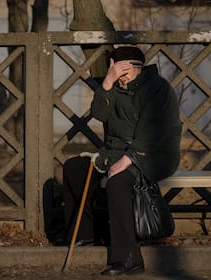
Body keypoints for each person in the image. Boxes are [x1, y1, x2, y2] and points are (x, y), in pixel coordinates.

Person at [63, 46, 182, 276]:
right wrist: (106, 83)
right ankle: (84, 236)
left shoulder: (157, 89)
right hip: (117, 152)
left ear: (136, 68)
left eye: (123, 73)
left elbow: (153, 132)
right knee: (75, 168)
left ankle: (129, 257)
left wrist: (129, 159)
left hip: (155, 154)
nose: (121, 79)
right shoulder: (114, 87)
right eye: (116, 73)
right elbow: (99, 114)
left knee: (119, 182)